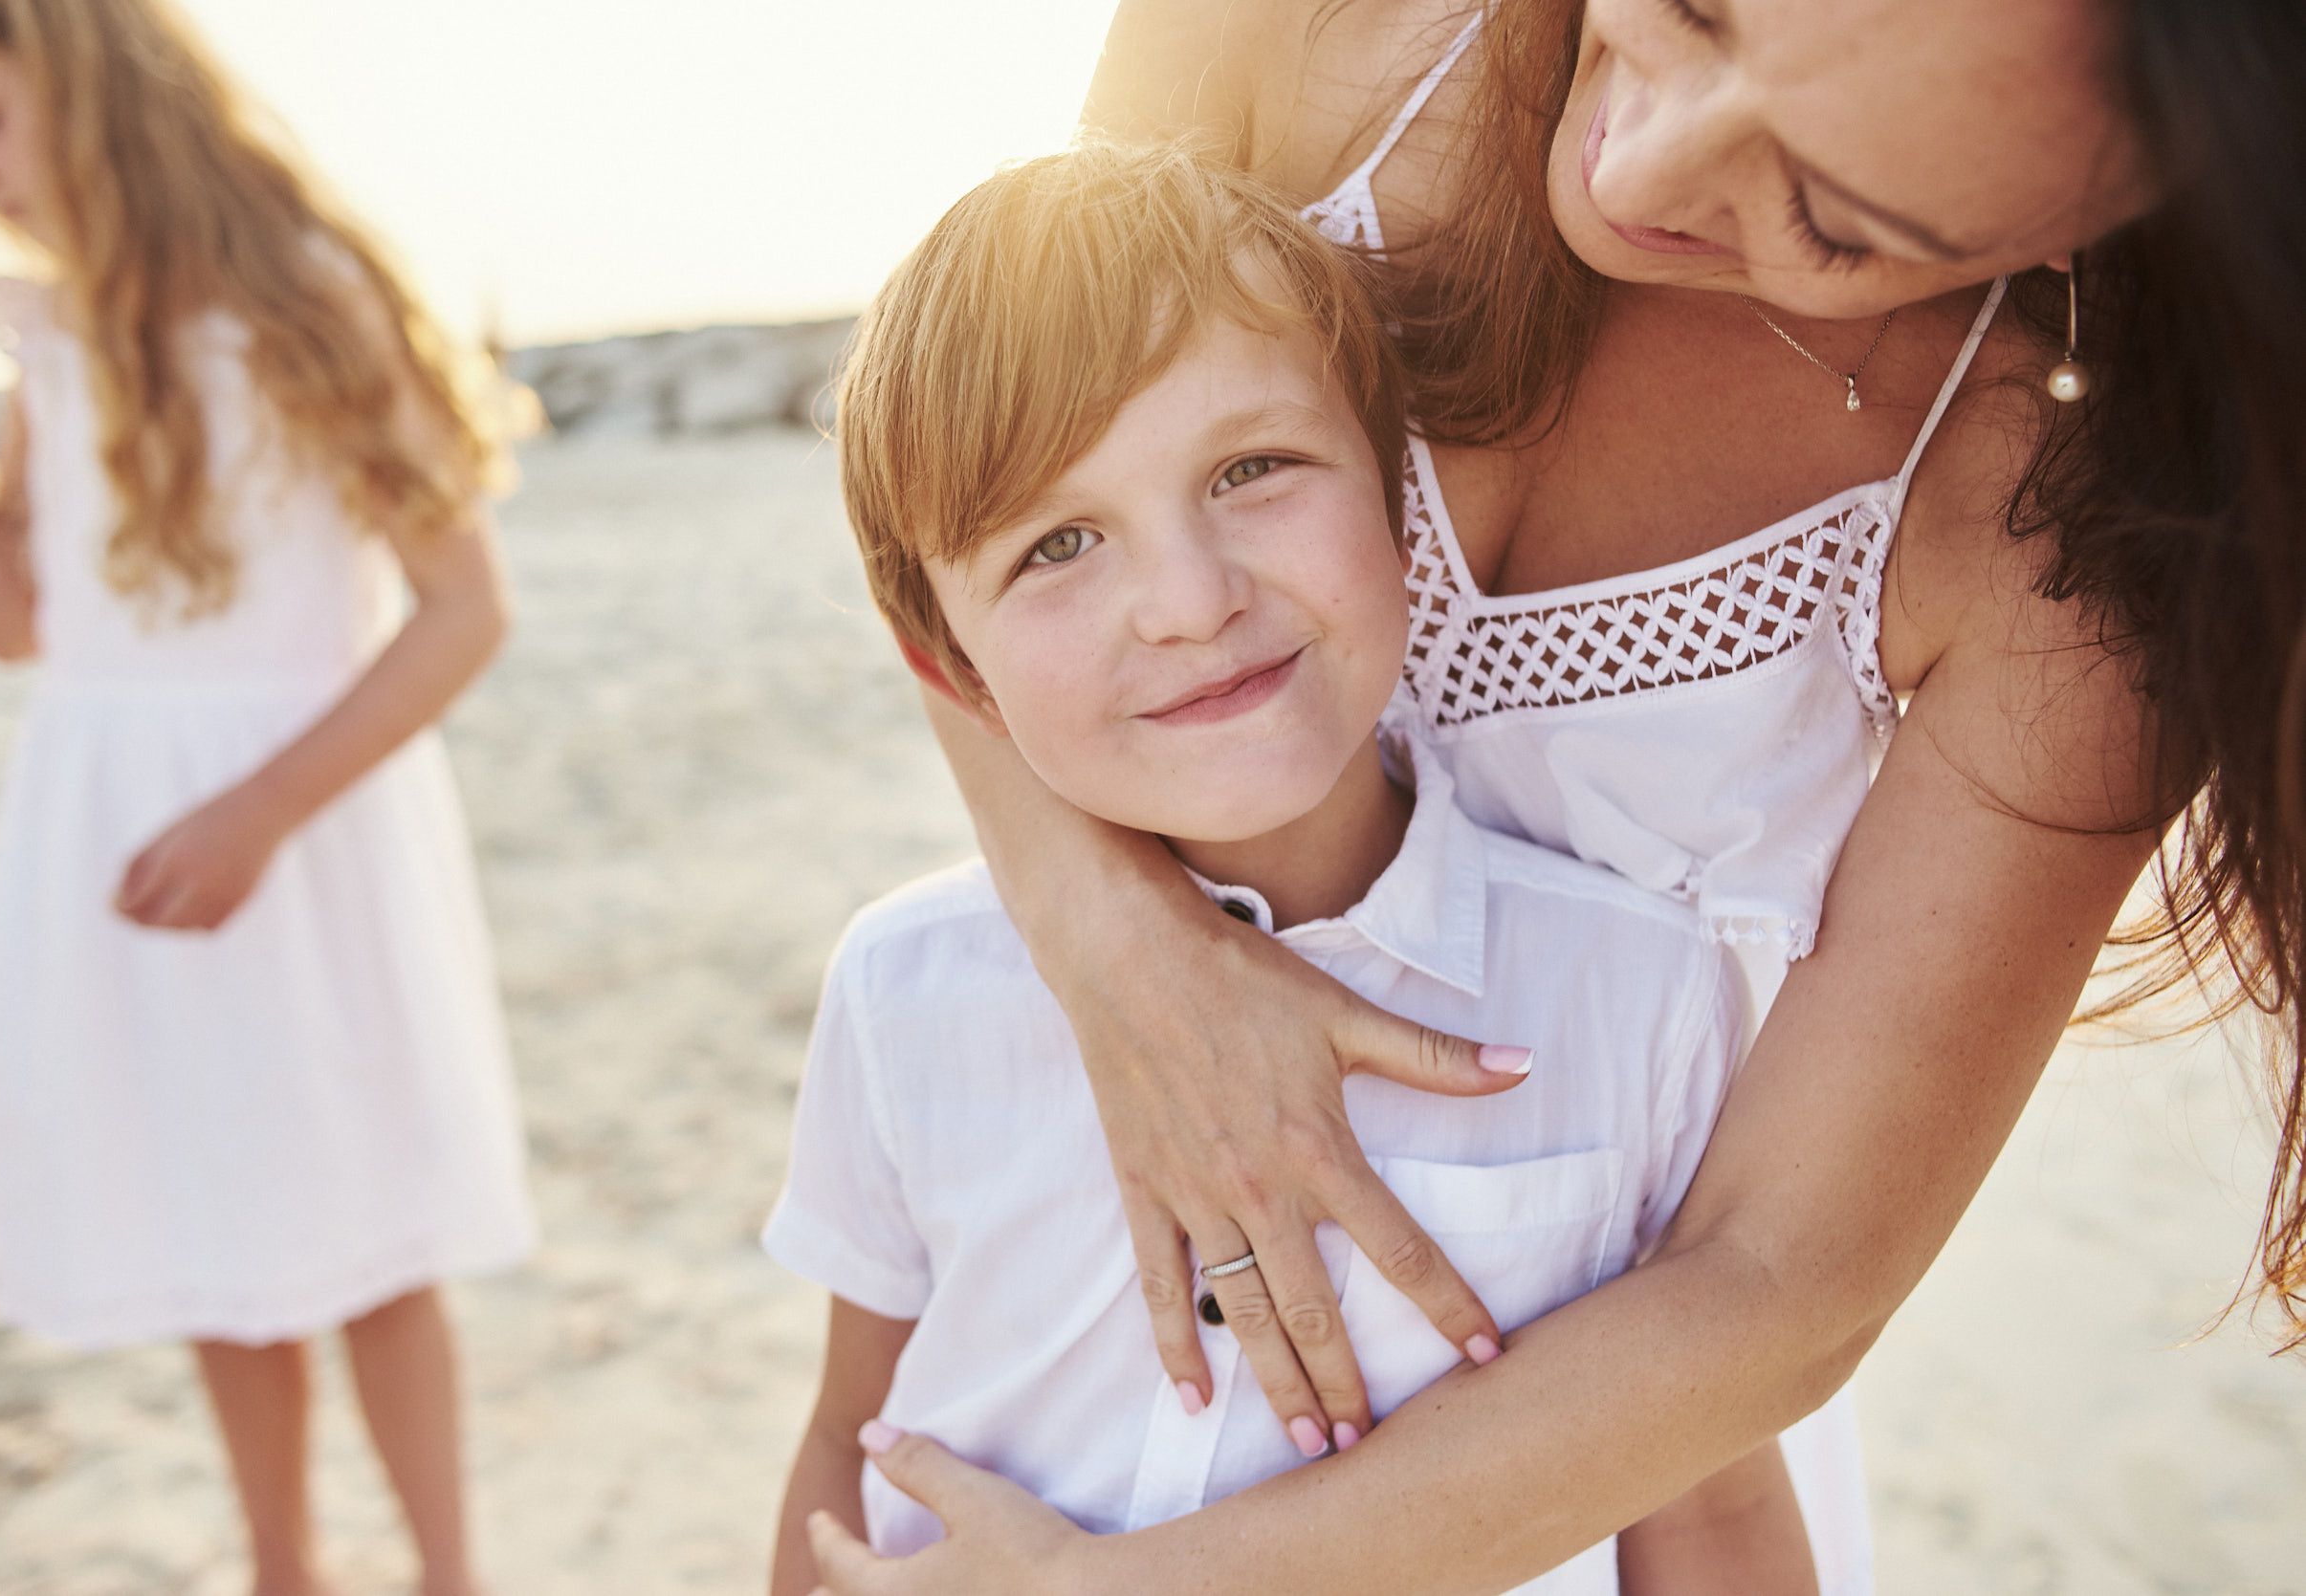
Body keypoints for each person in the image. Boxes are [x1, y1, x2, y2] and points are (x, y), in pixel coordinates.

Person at [800, 2, 2306, 1594]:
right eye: (1691, 9)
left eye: (1838, 221)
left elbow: (1777, 1282)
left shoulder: (2080, 528)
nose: (1635, 164)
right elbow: (962, 459)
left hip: (1598, 1454)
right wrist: (1122, 948)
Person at [766, 141, 1813, 1596]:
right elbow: (848, 1441)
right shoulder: (903, 992)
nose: (1191, 601)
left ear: (1397, 501)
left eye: (1252, 469)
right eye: (1060, 543)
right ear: (952, 668)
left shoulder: (1639, 989)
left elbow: (1704, 1508)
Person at [0, 4, 531, 1593]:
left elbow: (464, 612)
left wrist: (257, 810)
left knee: (369, 1222)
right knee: (211, 1219)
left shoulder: (310, 296)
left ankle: (448, 1571)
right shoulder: (56, 325)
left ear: (84, 78)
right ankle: (284, 1568)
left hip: (303, 813)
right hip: (110, 809)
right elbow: (14, 619)